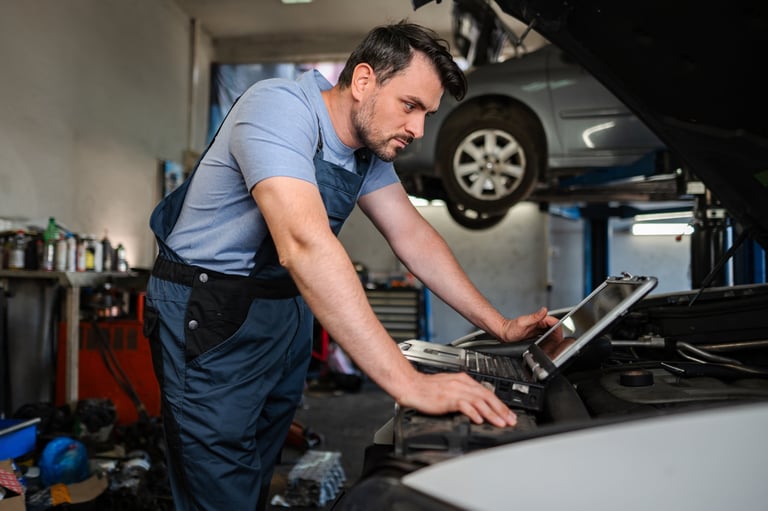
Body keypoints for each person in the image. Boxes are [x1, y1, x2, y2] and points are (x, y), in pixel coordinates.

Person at [144, 20, 561, 510]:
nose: (419, 129)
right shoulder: (278, 108)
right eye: (411, 106)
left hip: (282, 313)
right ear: (364, 81)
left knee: (256, 466)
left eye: (427, 113)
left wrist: (501, 326)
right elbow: (303, 244)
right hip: (211, 312)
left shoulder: (366, 152)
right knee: (217, 483)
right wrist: (410, 384)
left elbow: (414, 237)